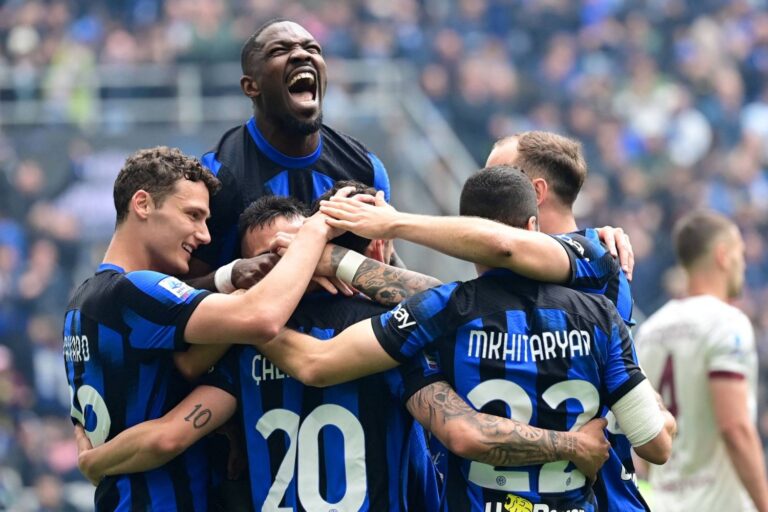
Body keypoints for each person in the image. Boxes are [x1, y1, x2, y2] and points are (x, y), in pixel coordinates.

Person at [74, 186, 610, 510]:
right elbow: (463, 425)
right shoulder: (391, 339)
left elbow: (170, 431)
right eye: (272, 260)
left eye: (290, 253)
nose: (284, 268)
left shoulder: (244, 347)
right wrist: (571, 445)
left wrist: (95, 461)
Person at [256, 165, 675, 512]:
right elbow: (656, 446)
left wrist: (247, 315)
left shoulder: (445, 311)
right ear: (533, 226)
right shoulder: (601, 309)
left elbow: (317, 363)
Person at [64, 146, 337, 511]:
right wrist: (312, 237)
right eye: (192, 215)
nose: (205, 235)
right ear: (142, 204)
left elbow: (184, 368)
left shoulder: (79, 305)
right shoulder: (136, 290)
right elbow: (262, 317)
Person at [189, 17, 392, 291]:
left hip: (348, 318)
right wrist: (230, 275)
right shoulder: (219, 175)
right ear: (251, 86)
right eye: (279, 50)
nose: (301, 54)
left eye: (312, 48)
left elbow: (389, 272)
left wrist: (338, 261)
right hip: (254, 318)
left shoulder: (366, 169)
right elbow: (181, 294)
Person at [635, 210, 768, 512]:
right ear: (723, 255)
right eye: (740, 254)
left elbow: (641, 440)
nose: (744, 264)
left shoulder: (650, 331)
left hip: (663, 502)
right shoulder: (727, 323)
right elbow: (735, 428)